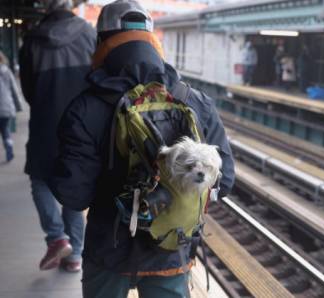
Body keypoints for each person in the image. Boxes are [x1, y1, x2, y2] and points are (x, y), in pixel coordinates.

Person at [49, 1, 235, 297]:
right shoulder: (194, 100)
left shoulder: (85, 108)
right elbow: (223, 183)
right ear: (153, 41)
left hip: (107, 252)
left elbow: (73, 195)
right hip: (171, 251)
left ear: (101, 43)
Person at [19, 0, 96, 272]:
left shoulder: (31, 40)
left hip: (43, 122)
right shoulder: (89, 33)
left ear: (46, 9)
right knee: (73, 185)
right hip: (81, 125)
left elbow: (27, 89)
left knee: (39, 178)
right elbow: (98, 78)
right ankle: (75, 254)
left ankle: (56, 237)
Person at [0, 51, 22, 162]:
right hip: (6, 108)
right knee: (5, 131)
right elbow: (14, 90)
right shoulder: (7, 71)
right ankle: (9, 147)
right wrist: (18, 106)